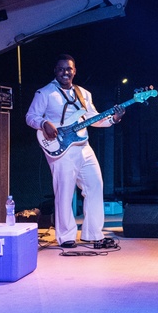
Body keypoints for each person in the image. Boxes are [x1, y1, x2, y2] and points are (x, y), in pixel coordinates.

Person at [25, 55, 124, 248]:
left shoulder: (83, 93)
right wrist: (44, 123)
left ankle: (93, 234)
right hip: (60, 148)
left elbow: (94, 118)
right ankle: (66, 237)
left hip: (83, 146)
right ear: (55, 71)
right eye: (61, 69)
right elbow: (30, 116)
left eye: (69, 69)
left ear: (74, 71)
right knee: (64, 193)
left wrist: (113, 119)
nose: (65, 72)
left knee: (95, 185)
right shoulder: (44, 93)